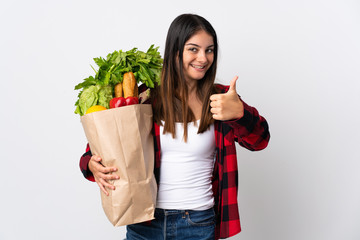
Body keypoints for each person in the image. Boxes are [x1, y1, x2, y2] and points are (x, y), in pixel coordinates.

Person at [79, 13, 270, 240]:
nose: (203, 58)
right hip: (145, 223)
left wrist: (239, 114)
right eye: (194, 49)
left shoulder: (221, 97)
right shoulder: (147, 97)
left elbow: (260, 140)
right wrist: (91, 165)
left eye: (209, 50)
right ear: (175, 51)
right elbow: (98, 149)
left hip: (198, 223)